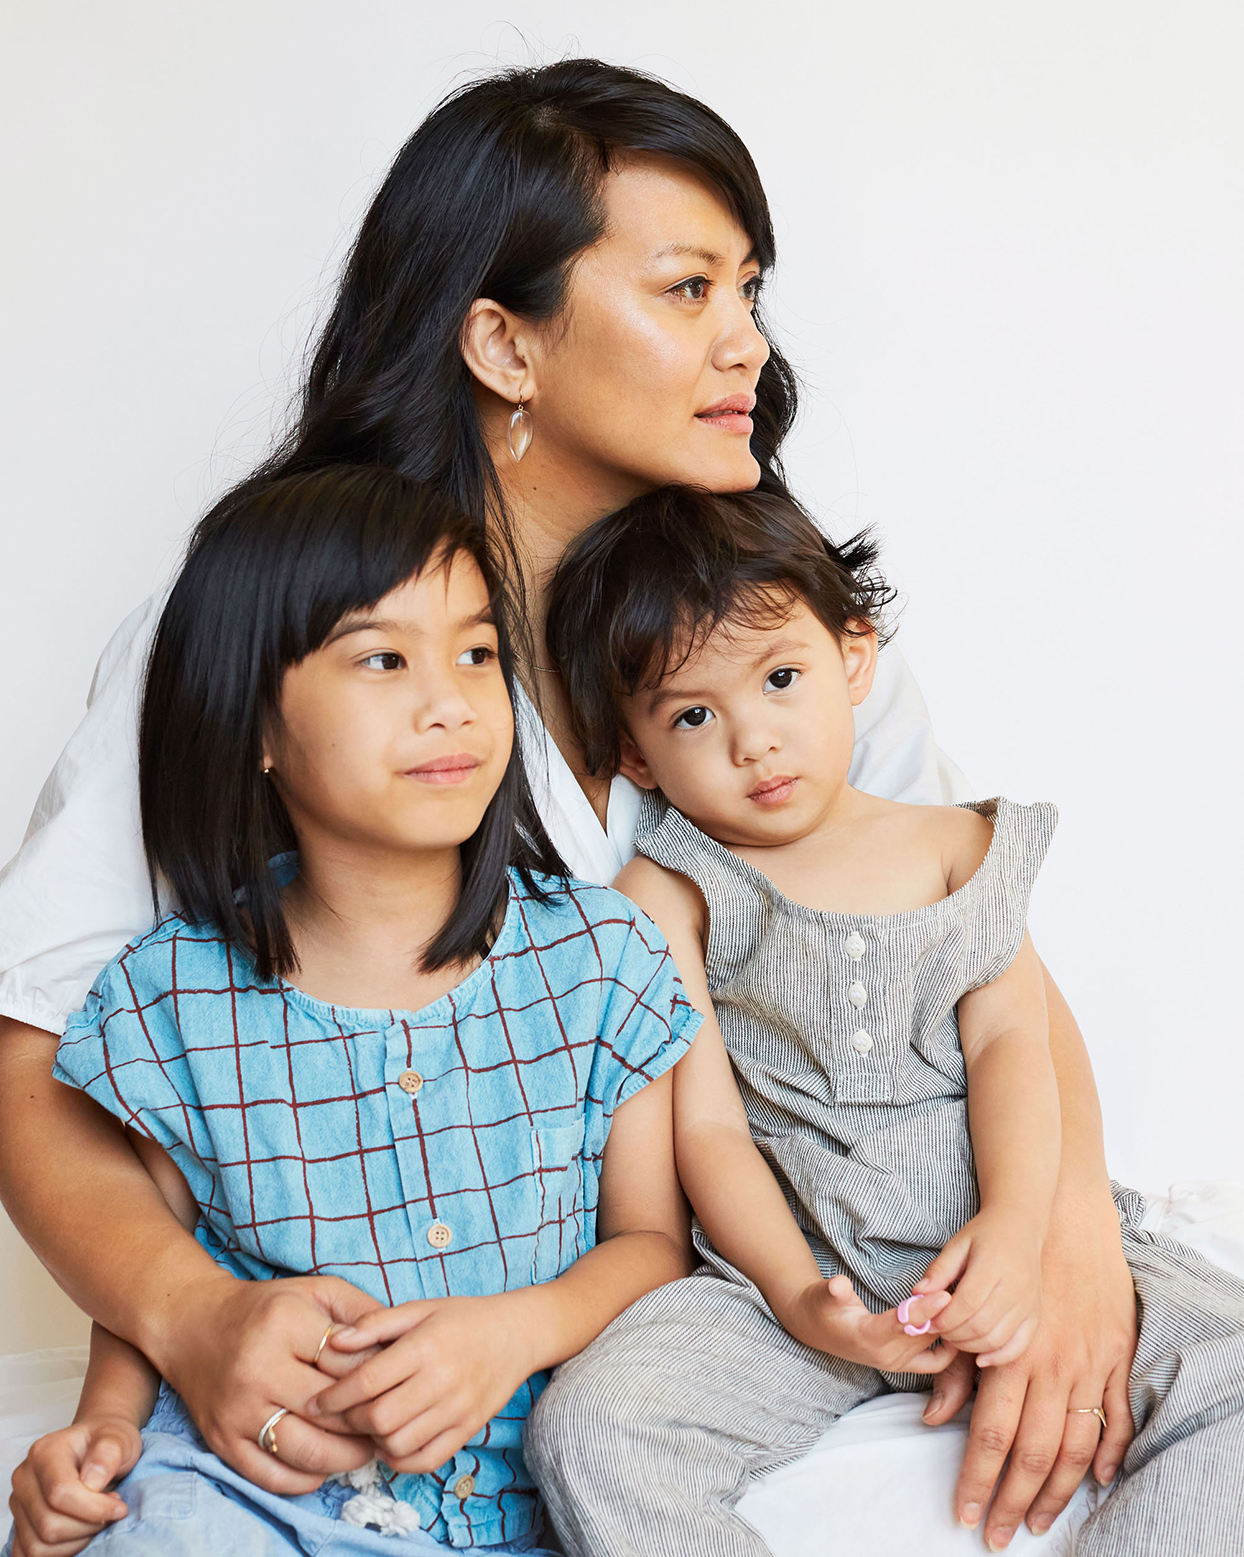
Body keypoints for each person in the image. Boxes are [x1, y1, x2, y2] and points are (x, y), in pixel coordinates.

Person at [0, 59, 1138, 1551]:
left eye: (751, 291)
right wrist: (186, 1308)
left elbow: (981, 945)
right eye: (685, 291)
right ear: (503, 344)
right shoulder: (259, 625)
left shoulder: (774, 625)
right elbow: (44, 1051)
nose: (745, 342)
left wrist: (1076, 1253)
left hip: (844, 1295)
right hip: (518, 1377)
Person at [525, 483, 1244, 1556]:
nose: (752, 741)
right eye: (690, 715)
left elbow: (1012, 1048)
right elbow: (710, 1131)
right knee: (592, 1428)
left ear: (852, 657)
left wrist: (1014, 1234)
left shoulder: (955, 847)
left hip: (997, 1239)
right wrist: (797, 1294)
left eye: (779, 679)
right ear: (633, 755)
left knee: (1229, 1382)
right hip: (791, 1280)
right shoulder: (666, 894)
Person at [4, 465, 703, 1556]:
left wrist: (506, 1335)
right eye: (383, 658)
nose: (449, 700)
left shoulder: (600, 960)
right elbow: (147, 1286)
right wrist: (95, 1441)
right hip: (261, 1495)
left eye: (475, 653)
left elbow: (651, 1246)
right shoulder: (171, 998)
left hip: (528, 1500)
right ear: (255, 726)